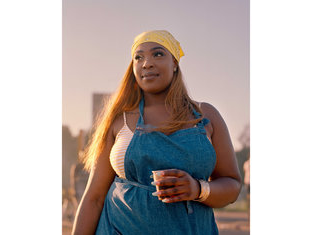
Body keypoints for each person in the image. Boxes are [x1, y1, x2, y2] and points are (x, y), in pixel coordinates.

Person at [72, 30, 242, 235]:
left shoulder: (205, 116)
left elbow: (232, 185)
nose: (147, 63)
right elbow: (94, 198)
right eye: (138, 57)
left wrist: (198, 189)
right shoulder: (119, 120)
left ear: (175, 63)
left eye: (158, 54)